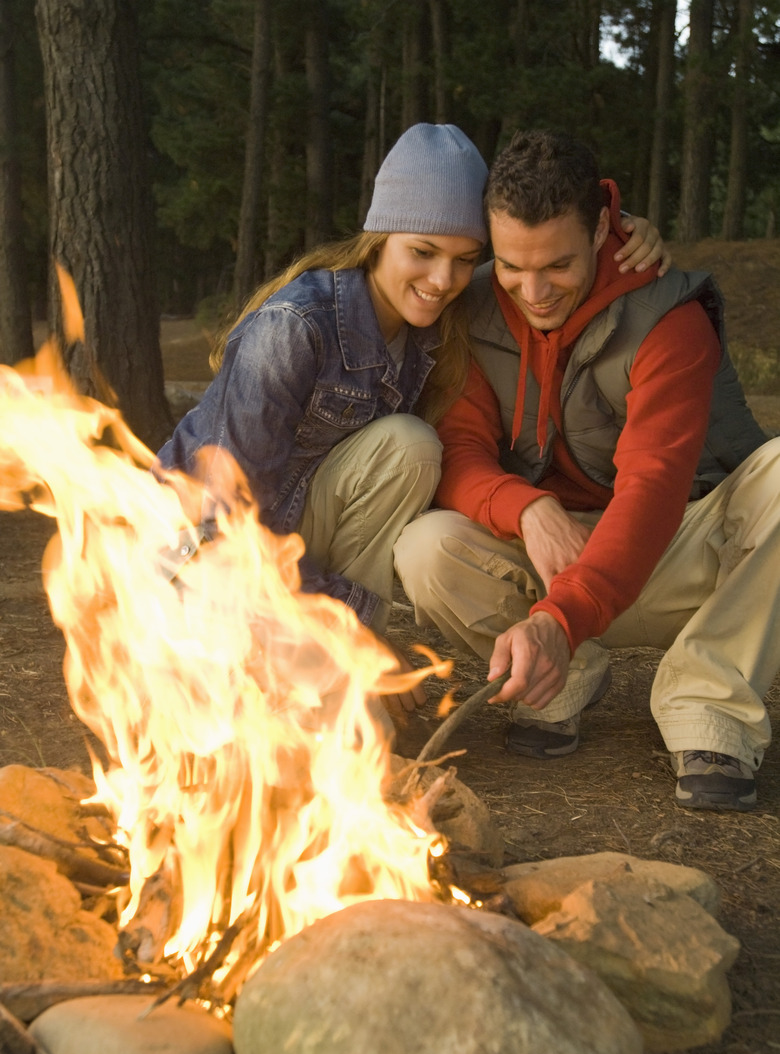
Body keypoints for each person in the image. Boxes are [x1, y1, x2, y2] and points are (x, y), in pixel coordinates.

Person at [156, 124, 666, 710]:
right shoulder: (294, 330)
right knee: (407, 444)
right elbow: (225, 532)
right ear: (380, 236)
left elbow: (547, 230)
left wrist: (627, 232)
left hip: (289, 554)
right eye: (422, 253)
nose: (442, 280)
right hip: (197, 562)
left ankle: (330, 679)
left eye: (464, 260)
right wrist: (353, 639)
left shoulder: (440, 333)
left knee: (411, 445)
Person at [394, 129, 776, 812]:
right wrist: (526, 508)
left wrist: (562, 618)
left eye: (558, 266)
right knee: (424, 546)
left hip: (678, 554)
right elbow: (459, 449)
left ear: (604, 228)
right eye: (511, 265)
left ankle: (707, 707)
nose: (533, 291)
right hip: (552, 551)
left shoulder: (668, 316)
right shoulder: (477, 305)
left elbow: (652, 490)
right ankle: (560, 682)